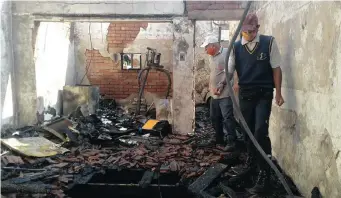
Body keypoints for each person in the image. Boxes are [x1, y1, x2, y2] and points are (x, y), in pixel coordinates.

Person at [226, 13, 284, 193]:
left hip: (263, 95)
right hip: (245, 95)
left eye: (251, 31)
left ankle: (264, 174)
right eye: (244, 32)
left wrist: (279, 93)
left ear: (257, 28)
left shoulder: (269, 42)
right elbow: (230, 69)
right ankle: (251, 163)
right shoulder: (236, 47)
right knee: (247, 131)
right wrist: (225, 82)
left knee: (260, 131)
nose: (248, 35)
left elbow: (276, 68)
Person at [200, 35, 237, 151]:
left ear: (213, 46)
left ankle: (231, 142)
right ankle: (219, 139)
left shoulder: (227, 53)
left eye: (206, 48)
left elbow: (230, 72)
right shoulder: (212, 57)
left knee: (227, 117)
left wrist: (221, 85)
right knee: (214, 117)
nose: (205, 50)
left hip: (225, 93)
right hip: (214, 94)